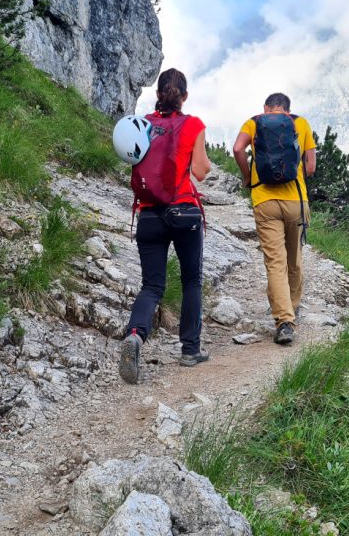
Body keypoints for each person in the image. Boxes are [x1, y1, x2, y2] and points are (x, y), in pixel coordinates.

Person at [119, 68, 212, 384]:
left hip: (148, 215)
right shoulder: (194, 124)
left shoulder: (143, 124)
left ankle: (134, 335)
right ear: (184, 96)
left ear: (157, 94)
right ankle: (190, 349)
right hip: (184, 212)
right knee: (191, 281)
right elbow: (200, 171)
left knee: (152, 286)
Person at [231, 93, 316, 345]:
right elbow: (310, 167)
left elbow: (237, 149)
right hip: (296, 202)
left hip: (265, 201)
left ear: (266, 108)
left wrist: (248, 177)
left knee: (275, 262)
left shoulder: (254, 122)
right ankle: (294, 305)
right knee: (294, 259)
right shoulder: (301, 123)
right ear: (288, 110)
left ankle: (284, 321)